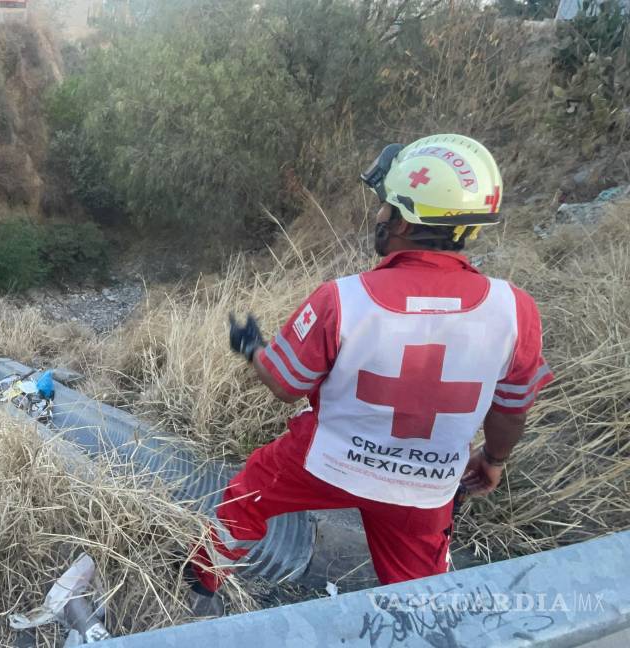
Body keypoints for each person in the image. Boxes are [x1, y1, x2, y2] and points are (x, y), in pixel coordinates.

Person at [185, 134, 553, 601]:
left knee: (247, 493)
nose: (378, 216)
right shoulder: (515, 310)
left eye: (385, 206)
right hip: (425, 489)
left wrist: (252, 347)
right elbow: (510, 411)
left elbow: (283, 382)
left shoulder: (342, 299)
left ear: (403, 218)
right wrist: (494, 460)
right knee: (420, 598)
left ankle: (202, 575)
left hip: (326, 464)